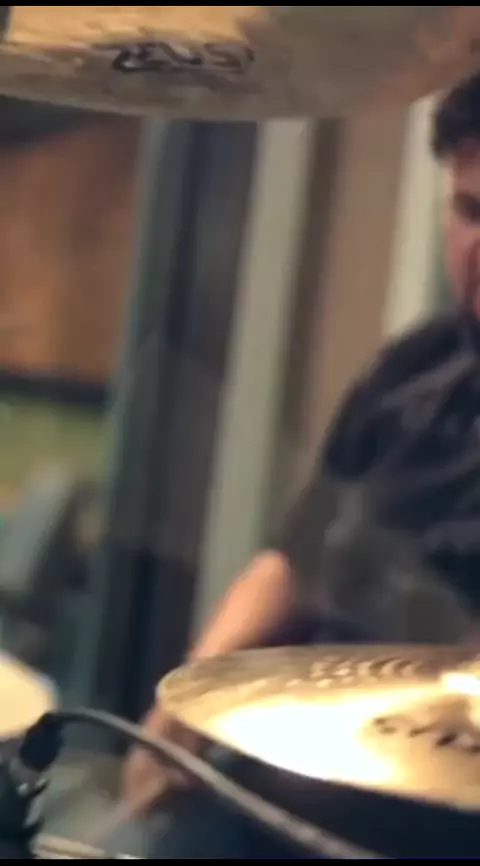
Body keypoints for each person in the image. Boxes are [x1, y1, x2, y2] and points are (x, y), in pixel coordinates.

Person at [122, 73, 480, 855]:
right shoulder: (417, 368)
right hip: (292, 790)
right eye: (471, 211)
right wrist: (184, 704)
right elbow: (297, 556)